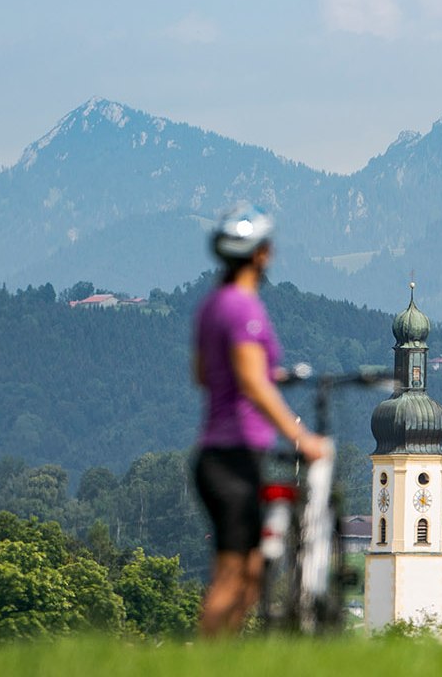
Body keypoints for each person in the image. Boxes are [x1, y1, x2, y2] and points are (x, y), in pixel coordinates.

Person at [190, 203, 328, 638]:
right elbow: (250, 380)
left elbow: (203, 374)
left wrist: (264, 376)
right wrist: (299, 435)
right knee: (232, 579)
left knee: (249, 575)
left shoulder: (212, 306)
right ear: (262, 254)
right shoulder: (244, 308)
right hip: (234, 459)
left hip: (219, 455)